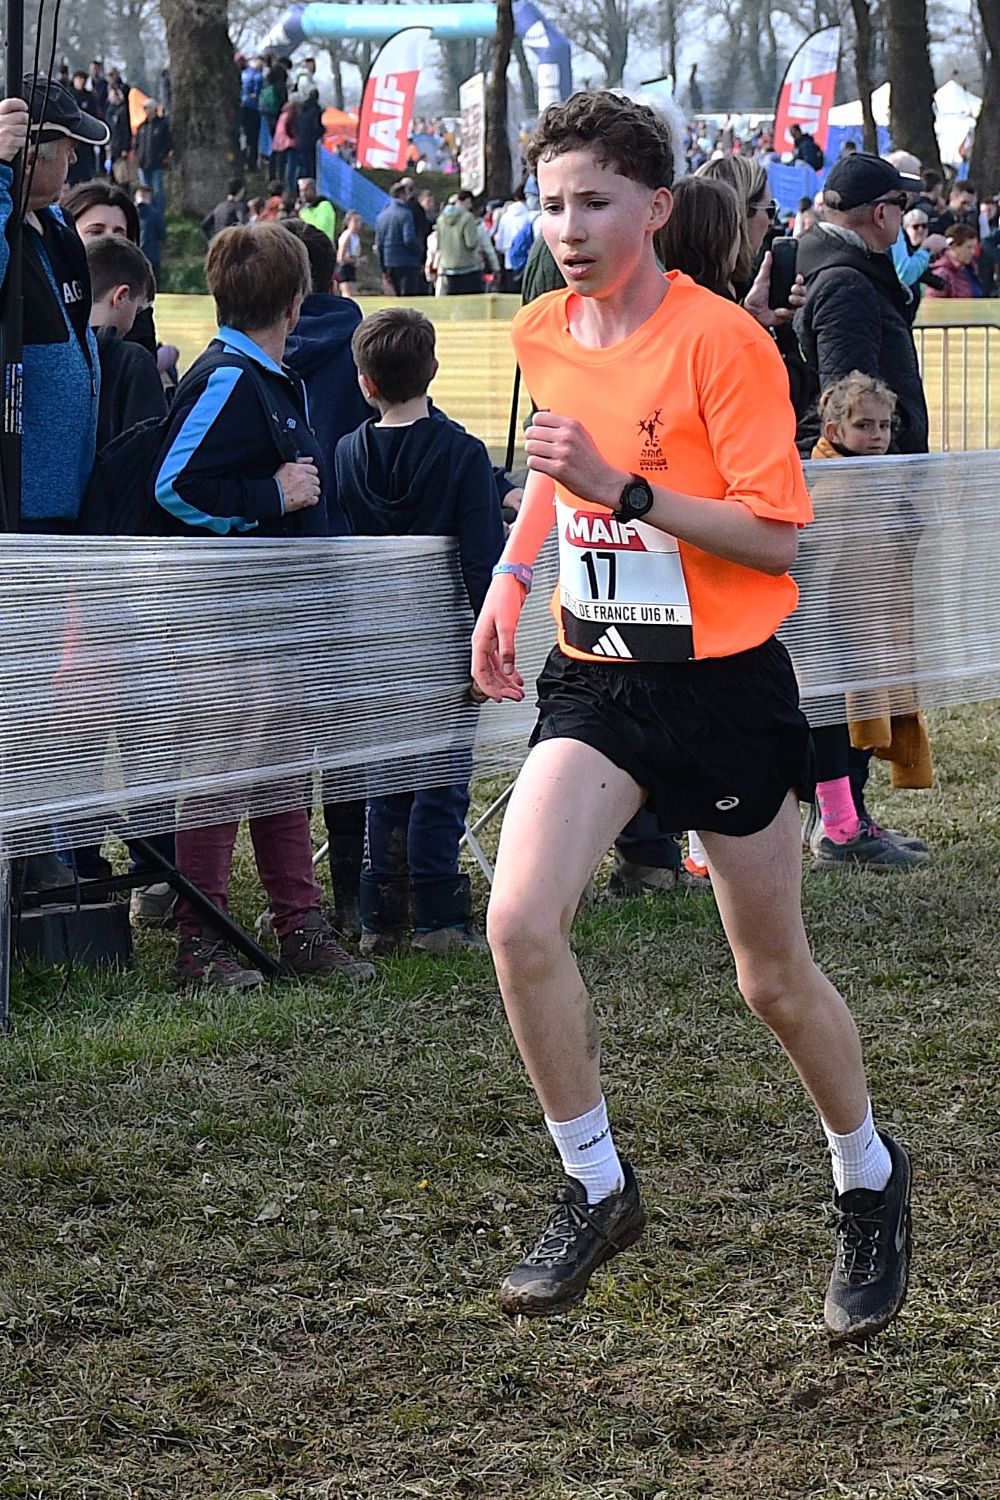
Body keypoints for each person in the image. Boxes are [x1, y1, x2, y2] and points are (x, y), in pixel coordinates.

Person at [470, 90, 911, 1345]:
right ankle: (595, 1184)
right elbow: (554, 472)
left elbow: (773, 539)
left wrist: (628, 491)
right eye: (550, 204)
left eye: (594, 202)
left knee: (769, 981)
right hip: (597, 674)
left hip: (722, 688)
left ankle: (868, 1174)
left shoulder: (725, 345)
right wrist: (511, 580)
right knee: (517, 921)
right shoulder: (541, 328)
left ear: (656, 207)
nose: (567, 228)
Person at [150, 223, 376, 990]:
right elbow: (172, 486)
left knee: (282, 770)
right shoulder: (227, 377)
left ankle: (300, 929)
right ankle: (201, 946)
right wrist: (271, 497)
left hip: (275, 616)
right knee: (218, 769)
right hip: (223, 618)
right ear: (295, 303)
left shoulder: (265, 375)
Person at [337, 308, 504, 953]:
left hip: (373, 644)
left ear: (365, 383)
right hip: (443, 643)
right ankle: (438, 917)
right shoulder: (463, 454)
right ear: (433, 369)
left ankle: (381, 918)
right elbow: (482, 561)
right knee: (441, 779)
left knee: (384, 781)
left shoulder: (347, 454)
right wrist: (491, 647)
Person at [805, 371, 931, 871]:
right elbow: (822, 569)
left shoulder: (879, 480)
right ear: (834, 431)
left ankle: (851, 818)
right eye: (864, 425)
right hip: (837, 637)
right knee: (840, 733)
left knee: (863, 733)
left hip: (873, 633)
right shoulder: (832, 489)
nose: (877, 435)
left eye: (885, 425)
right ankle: (839, 828)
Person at [0, 77, 108, 534]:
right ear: (29, 159)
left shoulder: (58, 226)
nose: (74, 158)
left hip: (68, 500)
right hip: (18, 507)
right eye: (68, 147)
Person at [794, 152, 929, 457]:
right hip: (867, 476)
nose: (904, 213)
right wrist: (886, 475)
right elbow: (852, 408)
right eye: (901, 203)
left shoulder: (821, 260)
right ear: (880, 213)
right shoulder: (846, 285)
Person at [86, 235, 166, 449]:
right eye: (138, 309)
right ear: (121, 297)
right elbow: (147, 450)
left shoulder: (57, 354)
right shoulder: (133, 362)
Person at [375, 182, 423, 297]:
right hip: (407, 262)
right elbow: (409, 239)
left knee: (394, 296)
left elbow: (379, 244)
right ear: (402, 195)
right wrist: (420, 251)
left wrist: (383, 267)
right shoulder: (405, 213)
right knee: (408, 297)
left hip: (389, 262)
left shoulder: (382, 215)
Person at [434, 190, 484, 294]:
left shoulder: (441, 218)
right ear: (468, 200)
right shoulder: (467, 217)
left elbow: (438, 244)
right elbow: (471, 243)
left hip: (447, 267)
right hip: (467, 266)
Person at [923, 223, 984, 299]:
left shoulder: (970, 269)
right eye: (968, 247)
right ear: (953, 247)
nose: (973, 252)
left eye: (974, 247)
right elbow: (932, 303)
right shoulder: (941, 274)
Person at [135, 98, 171, 216]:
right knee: (144, 190)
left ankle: (159, 215)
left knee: (157, 191)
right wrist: (138, 156)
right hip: (143, 163)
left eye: (147, 108)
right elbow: (137, 143)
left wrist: (162, 156)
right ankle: (146, 214)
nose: (146, 110)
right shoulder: (142, 127)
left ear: (154, 109)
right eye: (144, 108)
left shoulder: (162, 125)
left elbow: (167, 143)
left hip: (157, 164)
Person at [134, 182, 166, 292]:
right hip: (152, 256)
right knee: (153, 288)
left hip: (133, 255)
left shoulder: (129, 212)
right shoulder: (155, 214)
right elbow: (162, 234)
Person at [200, 177, 248, 242]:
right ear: (241, 191)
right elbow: (242, 224)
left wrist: (211, 242)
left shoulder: (219, 207)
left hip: (219, 243)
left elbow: (204, 226)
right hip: (231, 243)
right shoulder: (239, 206)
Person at [240, 55, 264, 171]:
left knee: (243, 136)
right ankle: (252, 164)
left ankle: (242, 160)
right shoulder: (258, 76)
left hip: (242, 107)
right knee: (254, 138)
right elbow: (257, 94)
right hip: (254, 109)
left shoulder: (243, 74)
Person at [334, 209, 364, 297]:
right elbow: (341, 257)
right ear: (348, 222)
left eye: (359, 221)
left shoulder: (356, 236)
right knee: (347, 293)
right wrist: (357, 260)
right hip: (344, 268)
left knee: (354, 293)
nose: (358, 223)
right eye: (355, 221)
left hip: (351, 267)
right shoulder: (347, 235)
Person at [297, 176, 336, 240]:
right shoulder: (305, 209)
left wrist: (302, 214)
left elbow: (320, 227)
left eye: (306, 190)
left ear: (314, 190)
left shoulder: (325, 205)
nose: (303, 194)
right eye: (301, 191)